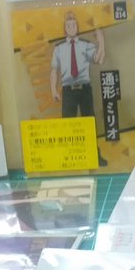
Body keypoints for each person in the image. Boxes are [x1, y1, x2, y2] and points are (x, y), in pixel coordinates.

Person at [50, 11, 108, 166]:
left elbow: (99, 60)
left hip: (84, 89)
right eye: (68, 25)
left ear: (77, 27)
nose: (71, 27)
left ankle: (94, 155)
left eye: (74, 24)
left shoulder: (86, 45)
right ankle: (68, 156)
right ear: (64, 28)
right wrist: (53, 89)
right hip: (68, 90)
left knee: (89, 123)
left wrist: (101, 42)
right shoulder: (59, 49)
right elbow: (54, 70)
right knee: (67, 125)